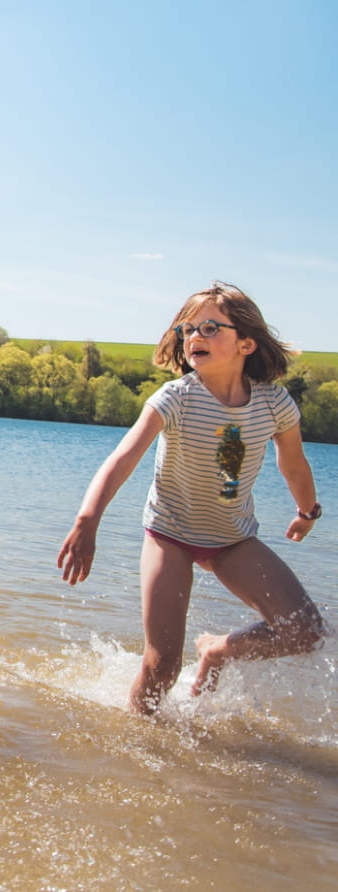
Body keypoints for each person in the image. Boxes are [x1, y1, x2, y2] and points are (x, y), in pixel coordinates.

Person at [57, 282, 326, 714]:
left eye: (209, 327)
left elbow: (293, 464)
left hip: (233, 540)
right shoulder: (176, 398)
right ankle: (141, 742)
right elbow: (122, 459)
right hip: (170, 535)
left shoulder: (274, 404)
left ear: (247, 343)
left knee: (306, 631)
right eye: (187, 329)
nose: (193, 337)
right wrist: (88, 521)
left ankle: (218, 650)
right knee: (162, 664)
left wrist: (307, 511)